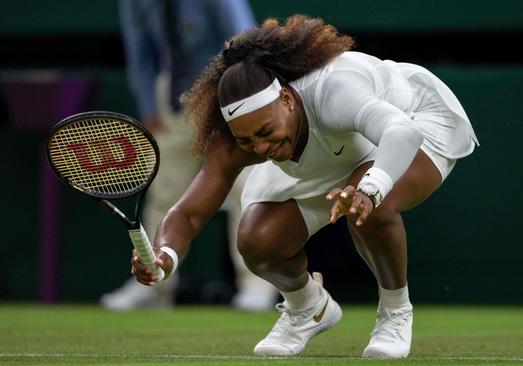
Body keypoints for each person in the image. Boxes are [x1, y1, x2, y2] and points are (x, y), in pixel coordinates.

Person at [131, 15, 479, 358]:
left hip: (415, 120)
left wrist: (369, 189)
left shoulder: (335, 90)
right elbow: (189, 213)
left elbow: (401, 132)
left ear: (285, 99)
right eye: (247, 140)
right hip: (328, 154)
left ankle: (395, 312)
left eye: (265, 132)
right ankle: (307, 308)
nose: (260, 148)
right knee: (256, 239)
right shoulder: (238, 140)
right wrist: (165, 256)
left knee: (376, 204)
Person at [100, 0, 278, 312]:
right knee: (164, 191)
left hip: (226, 92)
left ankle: (257, 284)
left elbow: (243, 40)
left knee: (246, 189)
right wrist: (148, 106)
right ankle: (155, 284)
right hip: (173, 95)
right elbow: (139, 49)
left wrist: (236, 99)